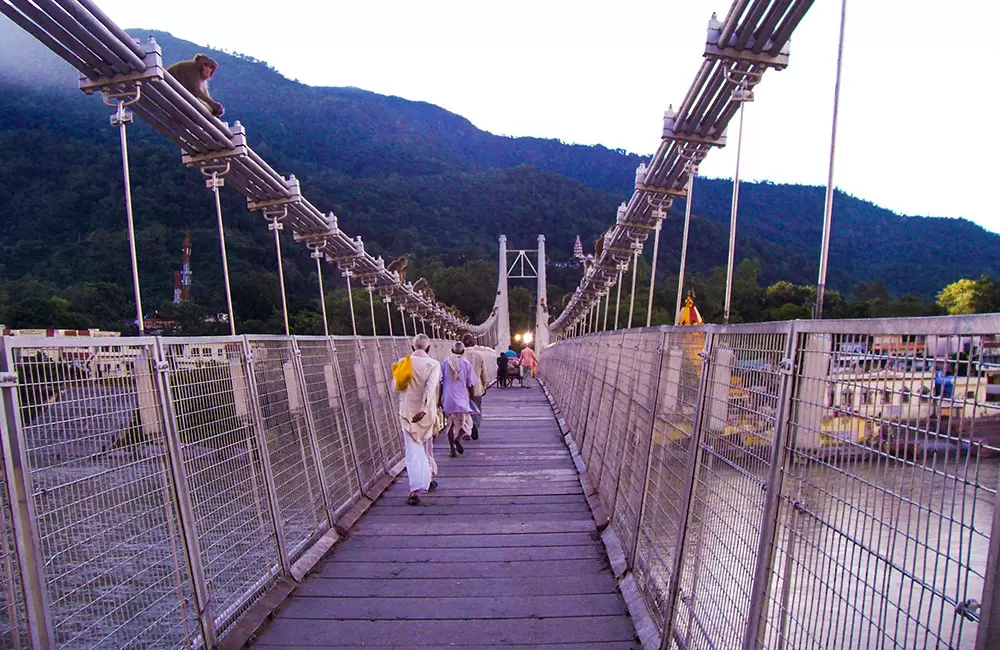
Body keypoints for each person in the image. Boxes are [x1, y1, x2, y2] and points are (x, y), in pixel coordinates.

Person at [396, 333, 442, 506]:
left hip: (407, 413)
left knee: (413, 451)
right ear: (428, 348)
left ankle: (415, 489)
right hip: (426, 414)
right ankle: (424, 482)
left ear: (412, 347)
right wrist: (423, 408)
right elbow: (430, 389)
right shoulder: (433, 364)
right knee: (426, 448)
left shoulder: (403, 362)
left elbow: (396, 387)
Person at [440, 341, 478, 457]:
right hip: (462, 399)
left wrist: (439, 399)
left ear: (451, 351)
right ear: (463, 351)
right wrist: (472, 398)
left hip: (448, 398)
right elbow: (470, 384)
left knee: (450, 425)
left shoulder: (444, 363)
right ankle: (458, 438)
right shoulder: (466, 364)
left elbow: (440, 383)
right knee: (467, 423)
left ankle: (452, 449)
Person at [461, 334, 488, 439]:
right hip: (477, 388)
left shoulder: (460, 355)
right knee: (476, 409)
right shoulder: (479, 354)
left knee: (464, 411)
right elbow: (484, 372)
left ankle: (466, 431)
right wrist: (484, 385)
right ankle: (475, 426)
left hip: (462, 389)